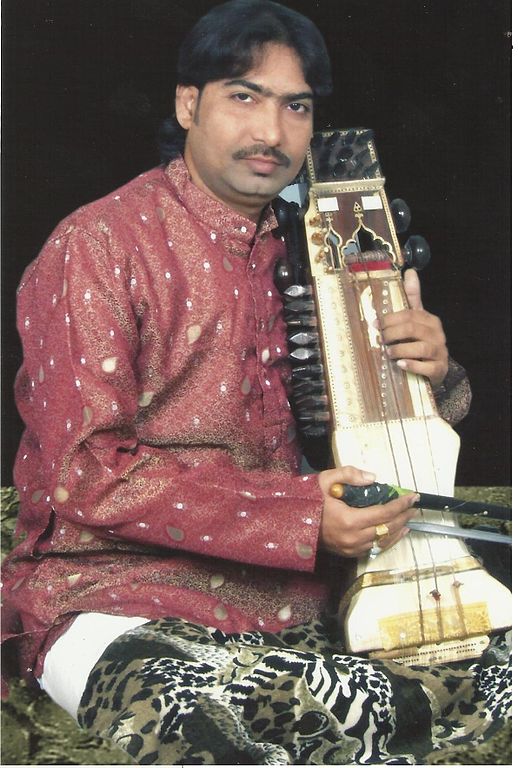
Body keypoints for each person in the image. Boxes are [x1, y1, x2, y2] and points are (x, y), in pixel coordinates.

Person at [2, 1, 509, 764]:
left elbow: (359, 427)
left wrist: (428, 371)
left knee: (483, 678)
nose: (271, 133)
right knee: (193, 724)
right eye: (244, 96)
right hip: (113, 593)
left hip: (295, 591)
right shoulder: (98, 247)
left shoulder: (323, 249)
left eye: (295, 106)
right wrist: (303, 515)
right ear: (188, 104)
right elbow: (84, 474)